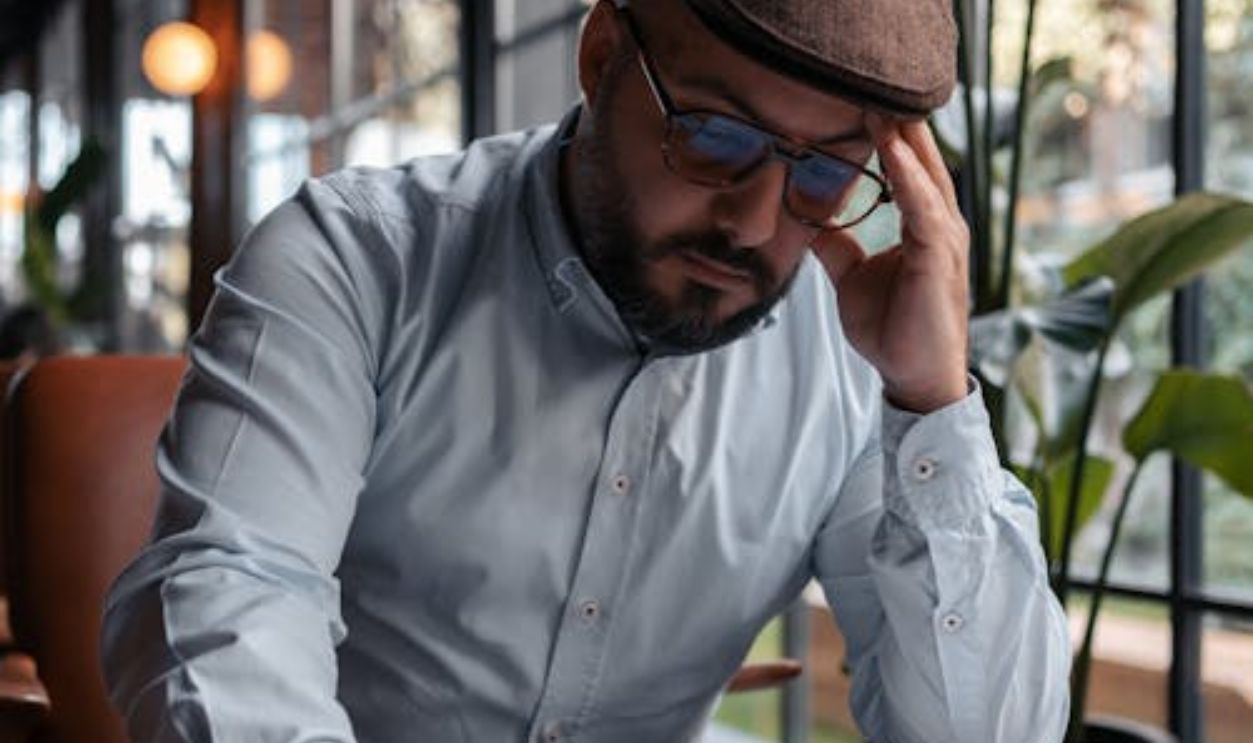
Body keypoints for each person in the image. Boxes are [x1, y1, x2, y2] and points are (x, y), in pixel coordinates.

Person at [102, 0, 1071, 741]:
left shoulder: (853, 349)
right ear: (603, 56)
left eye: (822, 173)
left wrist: (929, 401)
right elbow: (231, 589)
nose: (752, 222)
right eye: (713, 136)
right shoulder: (355, 259)